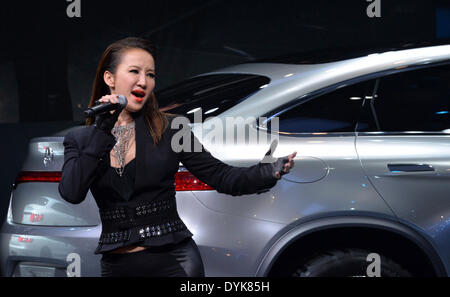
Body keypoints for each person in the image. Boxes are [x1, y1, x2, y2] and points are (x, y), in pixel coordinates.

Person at [58, 37, 296, 277]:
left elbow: (222, 177)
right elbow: (72, 192)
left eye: (150, 74)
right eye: (134, 71)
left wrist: (266, 171)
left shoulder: (171, 128)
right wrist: (102, 130)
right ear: (109, 78)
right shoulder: (81, 139)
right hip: (116, 267)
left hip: (174, 262)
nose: (143, 81)